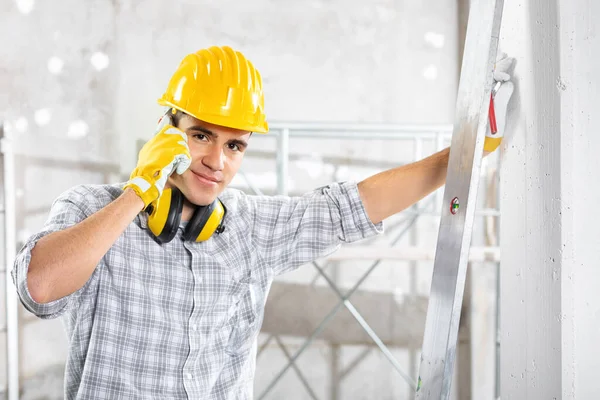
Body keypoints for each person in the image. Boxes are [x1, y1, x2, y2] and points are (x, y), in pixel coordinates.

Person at [12, 45, 515, 399]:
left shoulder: (251, 228)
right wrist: (139, 192)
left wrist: (470, 150)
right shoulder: (89, 209)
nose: (217, 160)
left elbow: (357, 204)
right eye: (201, 135)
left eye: (234, 145)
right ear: (166, 130)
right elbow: (39, 286)